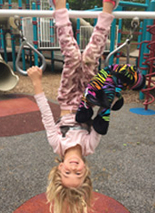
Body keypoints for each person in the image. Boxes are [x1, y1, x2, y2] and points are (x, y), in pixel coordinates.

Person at [26, 0, 134, 212]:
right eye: (78, 174)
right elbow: (102, 117)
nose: (73, 169)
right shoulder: (89, 146)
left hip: (67, 98)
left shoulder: (58, 144)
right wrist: (110, 93)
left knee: (73, 57)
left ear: (60, 168)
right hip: (88, 97)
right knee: (91, 57)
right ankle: (108, 8)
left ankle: (59, 8)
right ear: (86, 170)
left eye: (67, 173)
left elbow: (47, 116)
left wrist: (37, 84)